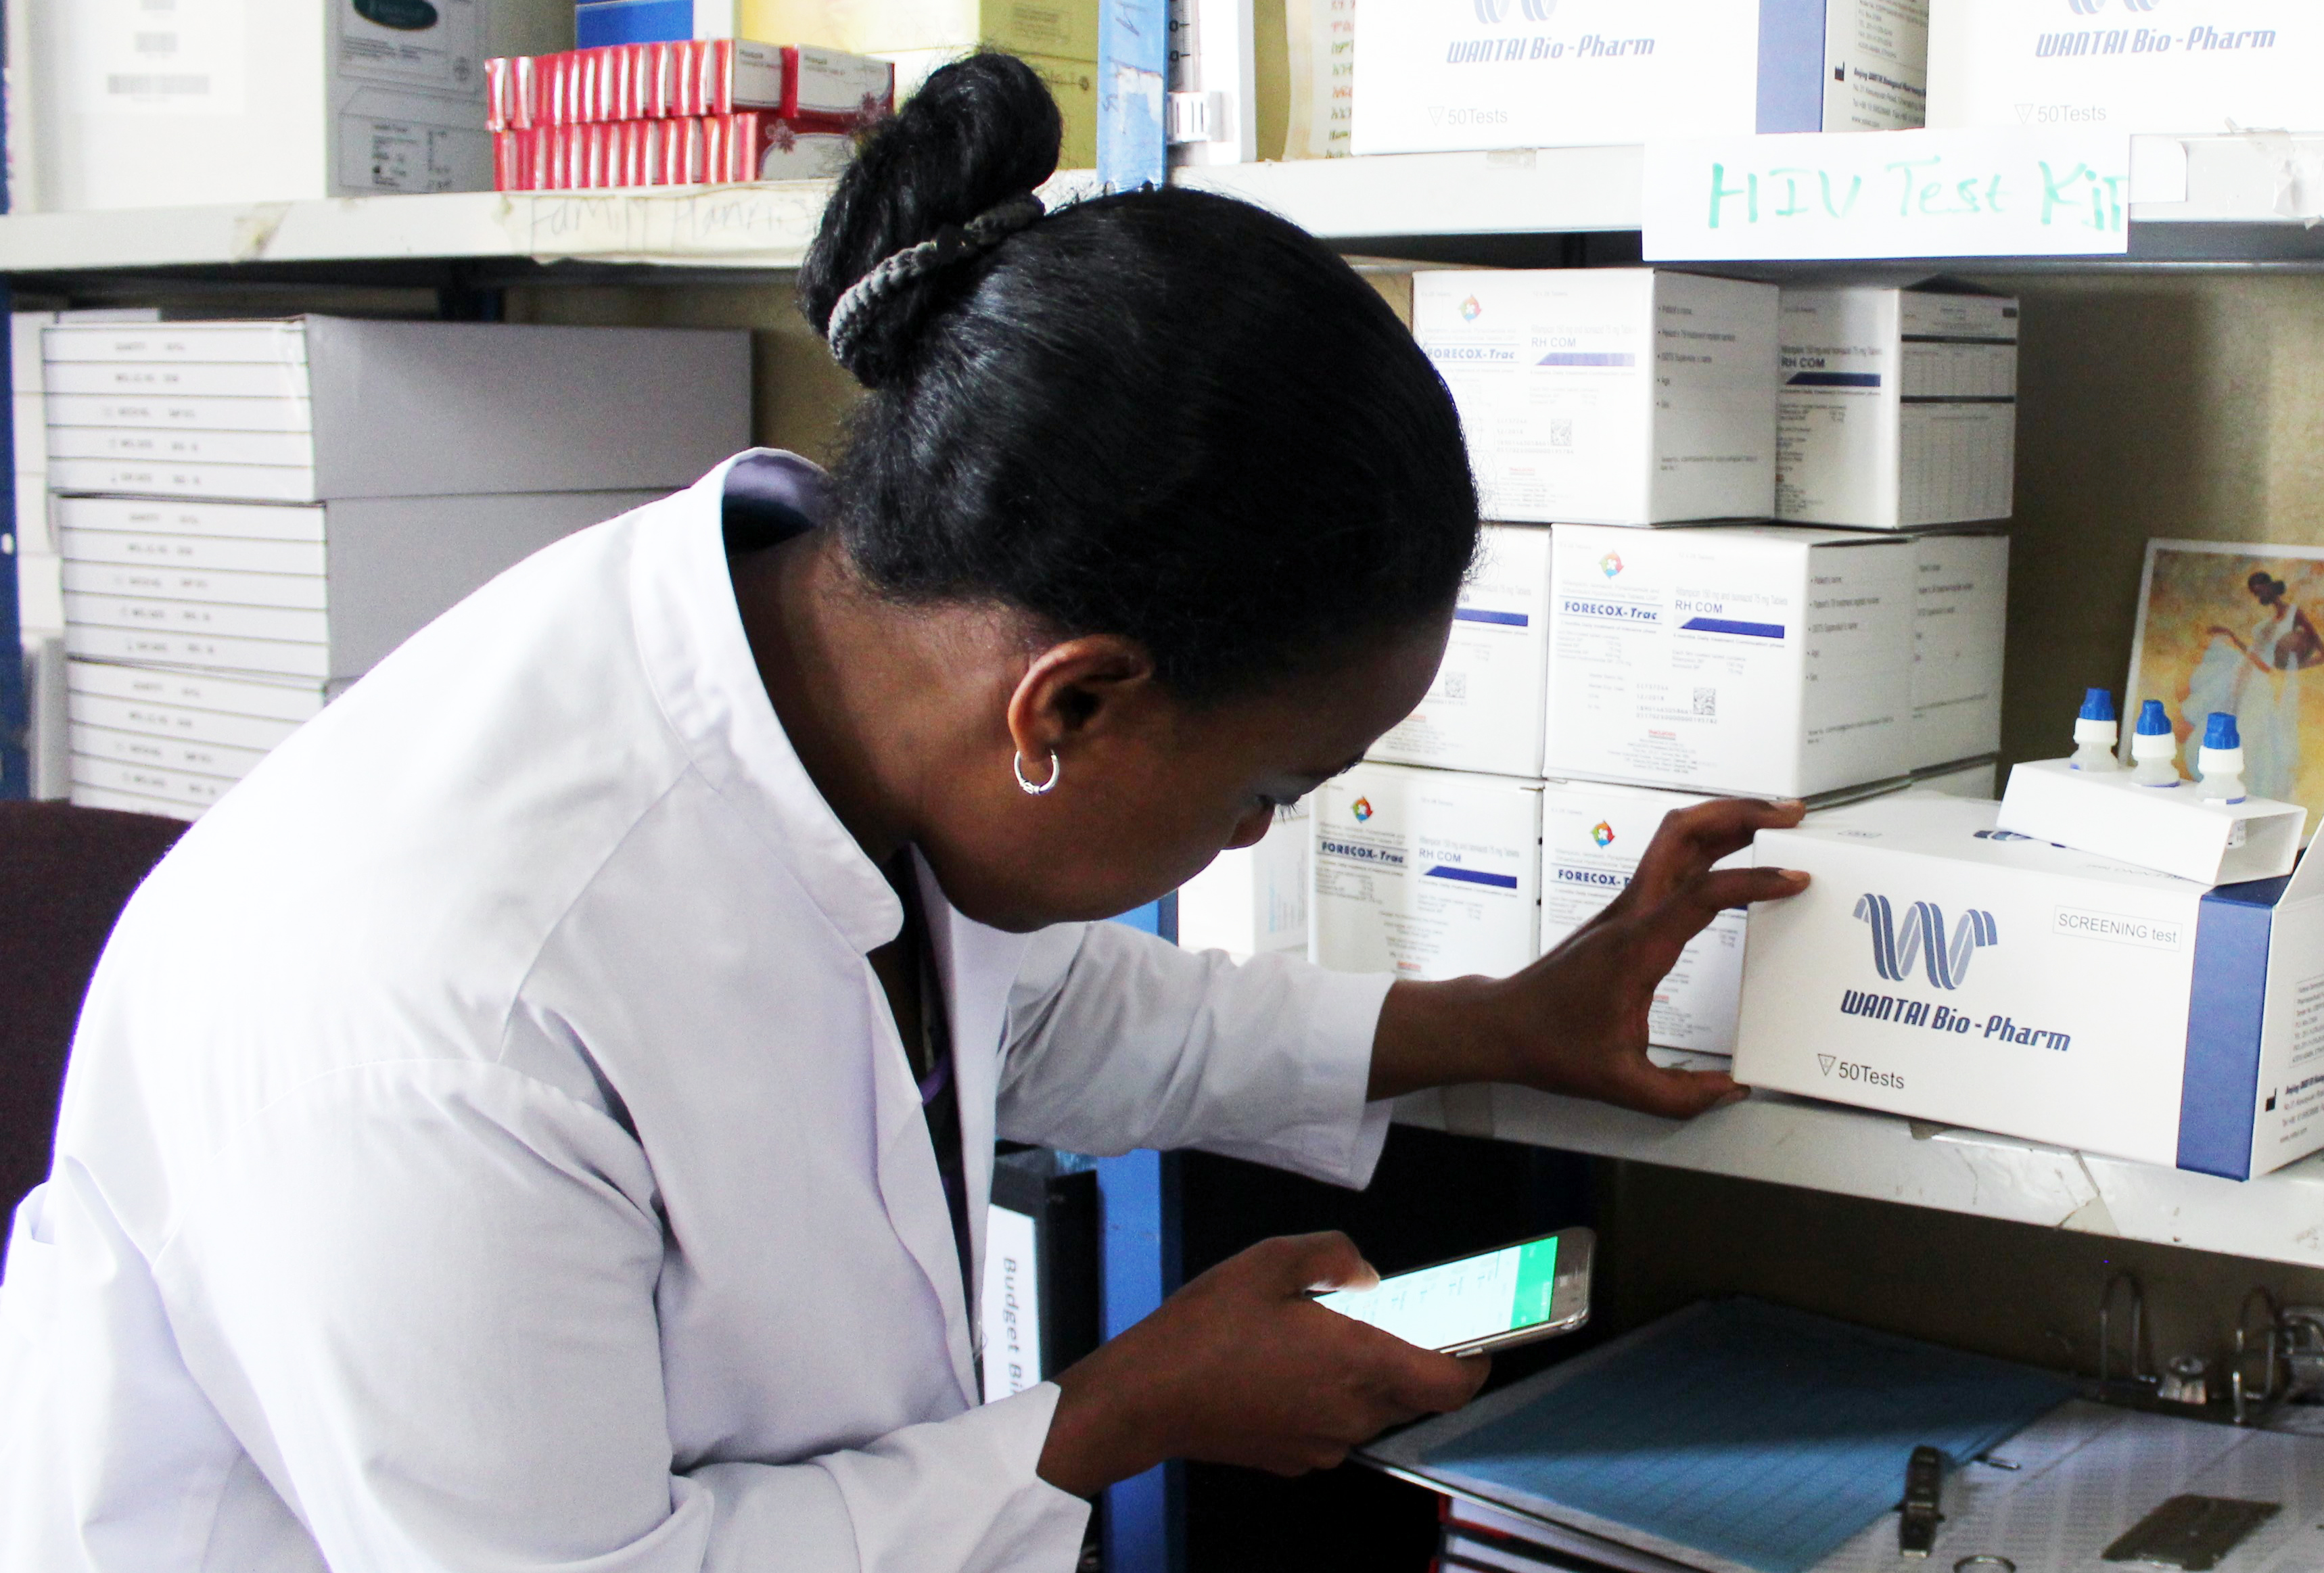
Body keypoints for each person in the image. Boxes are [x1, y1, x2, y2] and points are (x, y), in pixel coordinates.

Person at [0, 55, 1800, 1572]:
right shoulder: (445, 996)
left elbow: (1034, 1003)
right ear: (1071, 701)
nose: (1253, 839)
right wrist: (1120, 1409)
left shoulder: (831, 669)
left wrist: (1503, 1023)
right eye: (1265, 789)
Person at [2185, 570, 2324, 803]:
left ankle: (2249, 788)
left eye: (2260, 589)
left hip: (2259, 679)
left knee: (2250, 732)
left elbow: (2322, 655)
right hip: (2241, 675)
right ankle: (2218, 785)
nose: (2259, 594)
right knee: (2225, 721)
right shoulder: (2268, 622)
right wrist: (2232, 636)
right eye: (2255, 592)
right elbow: (2254, 652)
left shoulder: (2294, 614)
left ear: (2271, 586)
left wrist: (2292, 667)